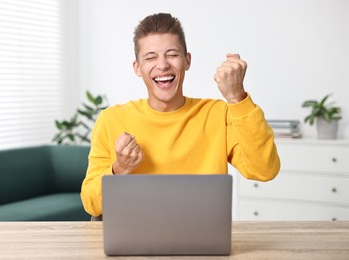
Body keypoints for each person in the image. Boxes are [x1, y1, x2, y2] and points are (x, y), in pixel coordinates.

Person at [81, 13, 280, 218]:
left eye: (172, 54)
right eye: (150, 57)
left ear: (187, 61)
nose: (163, 65)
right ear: (137, 68)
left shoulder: (218, 115)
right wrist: (118, 169)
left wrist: (237, 97)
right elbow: (91, 204)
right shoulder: (111, 119)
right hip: (134, 245)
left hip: (202, 240)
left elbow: (264, 170)